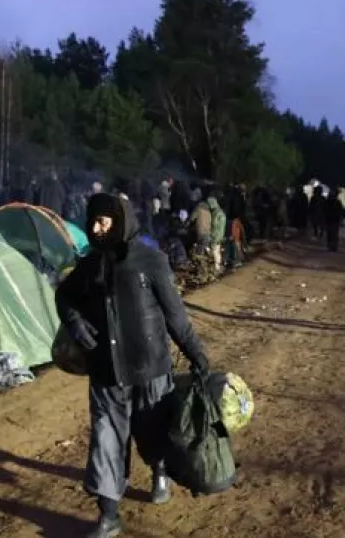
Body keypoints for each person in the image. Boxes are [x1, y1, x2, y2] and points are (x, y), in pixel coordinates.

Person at [55, 193, 210, 538]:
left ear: (121, 222)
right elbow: (63, 295)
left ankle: (159, 472)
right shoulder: (90, 265)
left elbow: (176, 316)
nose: (96, 229)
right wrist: (75, 322)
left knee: (152, 432)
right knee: (106, 439)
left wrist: (198, 356)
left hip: (150, 368)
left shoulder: (150, 261)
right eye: (93, 221)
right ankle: (108, 515)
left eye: (104, 222)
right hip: (106, 372)